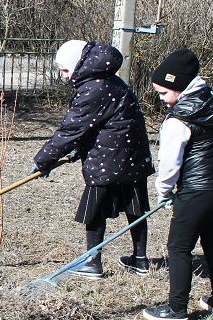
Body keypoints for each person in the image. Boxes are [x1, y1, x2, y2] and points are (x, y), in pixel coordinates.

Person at [33, 40, 155, 279]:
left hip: (107, 159)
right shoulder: (110, 81)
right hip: (132, 156)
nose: (64, 76)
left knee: (96, 211)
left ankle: (92, 263)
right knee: (136, 209)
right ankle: (140, 260)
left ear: (79, 64)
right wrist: (75, 151)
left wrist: (43, 160)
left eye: (65, 70)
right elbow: (98, 125)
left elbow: (72, 129)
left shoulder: (93, 88)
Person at [142, 49, 213, 320]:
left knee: (179, 247)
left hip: (197, 191)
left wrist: (164, 192)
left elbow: (169, 164)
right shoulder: (212, 101)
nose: (162, 99)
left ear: (179, 85)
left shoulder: (178, 119)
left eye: (164, 93)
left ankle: (177, 310)